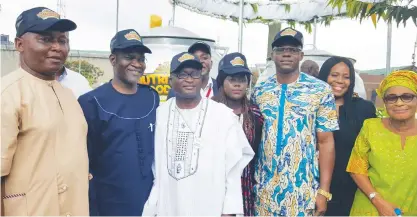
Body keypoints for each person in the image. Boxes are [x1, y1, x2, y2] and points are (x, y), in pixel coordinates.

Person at [142, 52, 254, 216]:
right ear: (170, 81)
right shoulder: (160, 115)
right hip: (170, 206)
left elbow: (233, 168)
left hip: (211, 207)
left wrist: (229, 211)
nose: (189, 79)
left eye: (195, 74)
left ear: (202, 79)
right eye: (182, 74)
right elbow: (155, 168)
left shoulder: (223, 116)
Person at [1, 7, 89, 215]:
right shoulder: (8, 94)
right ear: (19, 44)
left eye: (62, 40)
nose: (57, 47)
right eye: (46, 39)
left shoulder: (68, 94)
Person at [251, 27, 339, 216]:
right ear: (272, 55)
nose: (286, 54)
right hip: (264, 193)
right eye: (281, 50)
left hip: (303, 193)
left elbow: (326, 142)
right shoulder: (260, 91)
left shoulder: (320, 91)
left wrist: (323, 191)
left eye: (292, 50)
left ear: (301, 55)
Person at [78, 29, 159, 216]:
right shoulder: (91, 102)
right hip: (109, 203)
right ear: (113, 60)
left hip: (150, 202)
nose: (136, 64)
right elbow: (84, 162)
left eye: (141, 59)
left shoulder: (151, 97)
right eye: (129, 57)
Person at [346, 70, 417, 216]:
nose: (399, 103)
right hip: (369, 208)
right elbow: (356, 168)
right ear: (384, 102)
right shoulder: (371, 127)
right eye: (392, 98)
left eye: (407, 97)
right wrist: (378, 201)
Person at [317, 56, 376, 216]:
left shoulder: (364, 109)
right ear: (323, 76)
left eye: (346, 77)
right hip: (315, 189)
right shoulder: (309, 107)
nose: (340, 81)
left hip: (352, 189)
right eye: (334, 75)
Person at [212, 52, 264, 216]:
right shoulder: (209, 111)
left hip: (246, 186)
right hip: (215, 185)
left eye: (242, 80)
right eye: (232, 79)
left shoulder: (255, 114)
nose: (237, 84)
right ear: (222, 81)